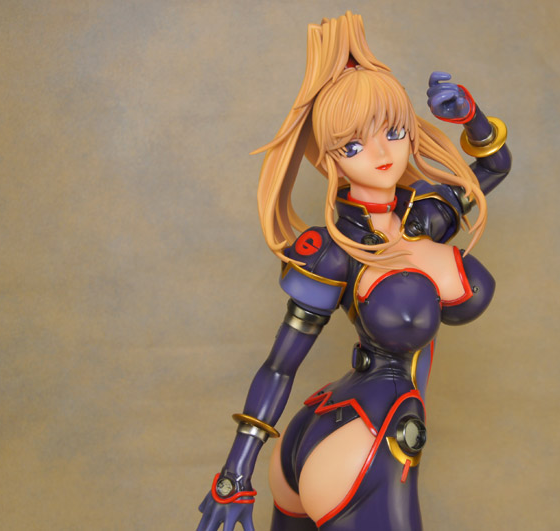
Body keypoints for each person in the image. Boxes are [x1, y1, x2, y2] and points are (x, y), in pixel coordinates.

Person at [196, 11, 511, 531]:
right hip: (372, 435)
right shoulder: (335, 250)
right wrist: (233, 475)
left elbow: (495, 166)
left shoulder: (425, 215)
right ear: (332, 158)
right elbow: (279, 366)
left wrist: (470, 116)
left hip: (324, 427)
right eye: (355, 145)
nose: (383, 153)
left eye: (394, 131)